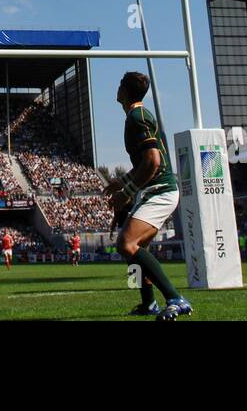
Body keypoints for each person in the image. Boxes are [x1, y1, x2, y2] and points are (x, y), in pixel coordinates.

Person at [105, 71, 190, 320]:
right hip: (155, 189)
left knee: (125, 244)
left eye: (120, 84)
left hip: (160, 191)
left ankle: (176, 298)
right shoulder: (136, 115)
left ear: (125, 91)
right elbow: (145, 162)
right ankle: (148, 304)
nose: (117, 88)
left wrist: (126, 193)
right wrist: (121, 182)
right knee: (135, 248)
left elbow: (153, 161)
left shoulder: (137, 116)